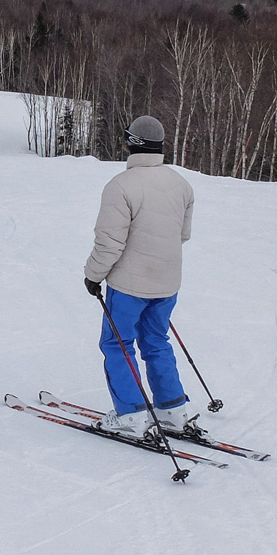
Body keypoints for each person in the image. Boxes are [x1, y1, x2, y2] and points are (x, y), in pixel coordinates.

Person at [83, 114, 196, 439]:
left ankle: (132, 414)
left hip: (129, 286)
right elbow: (182, 235)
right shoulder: (181, 184)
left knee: (117, 344)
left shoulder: (120, 186)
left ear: (131, 143)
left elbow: (109, 243)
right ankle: (172, 410)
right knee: (156, 341)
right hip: (168, 283)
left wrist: (93, 276)